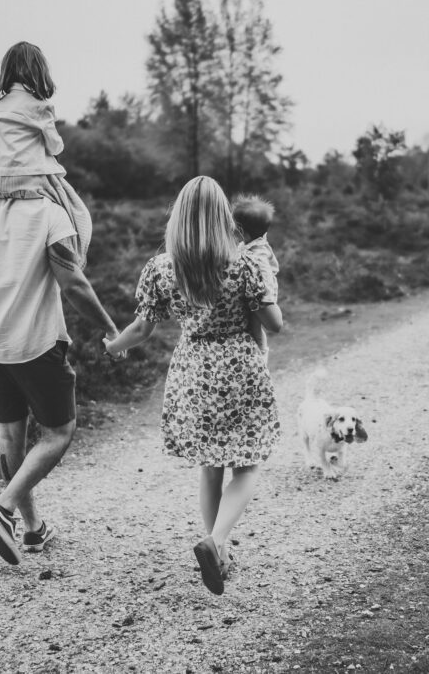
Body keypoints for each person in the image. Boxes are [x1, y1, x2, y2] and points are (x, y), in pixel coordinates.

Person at [103, 176, 283, 595]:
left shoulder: (162, 266)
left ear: (178, 217)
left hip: (193, 368)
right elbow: (274, 322)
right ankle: (216, 542)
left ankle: (217, 554)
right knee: (248, 462)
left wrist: (114, 346)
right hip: (238, 365)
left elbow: (142, 328)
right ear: (223, 215)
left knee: (210, 466)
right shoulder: (246, 263)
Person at [0, 195, 121, 566]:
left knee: (10, 434)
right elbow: (73, 284)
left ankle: (32, 528)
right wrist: (110, 328)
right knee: (59, 431)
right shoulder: (49, 213)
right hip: (36, 344)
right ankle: (3, 508)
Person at [0, 41, 92, 267]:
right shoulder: (40, 106)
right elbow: (56, 147)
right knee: (77, 211)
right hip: (32, 179)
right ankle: (78, 259)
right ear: (39, 71)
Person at [232, 195, 280, 363]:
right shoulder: (250, 243)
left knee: (256, 331)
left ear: (242, 231)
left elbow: (265, 278)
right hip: (254, 293)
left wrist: (265, 300)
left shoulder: (258, 254)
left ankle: (260, 357)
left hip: (261, 296)